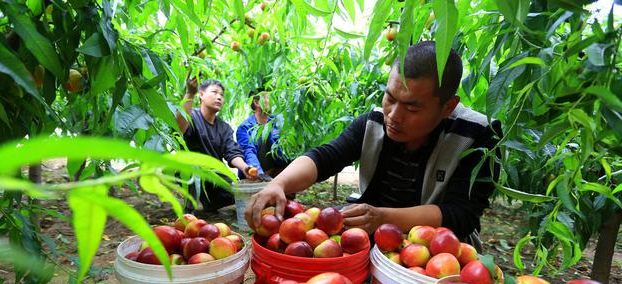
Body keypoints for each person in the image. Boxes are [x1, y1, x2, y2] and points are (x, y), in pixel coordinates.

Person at [245, 41, 501, 245]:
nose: (393, 115)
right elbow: (325, 157)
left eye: (412, 107)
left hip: (437, 249)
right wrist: (278, 184)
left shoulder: (477, 136)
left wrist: (382, 217)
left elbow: (460, 216)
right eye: (389, 97)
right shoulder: (373, 123)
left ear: (447, 107)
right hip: (370, 238)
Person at [176, 77, 257, 212]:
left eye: (221, 95)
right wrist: (189, 94)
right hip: (191, 172)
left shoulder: (224, 128)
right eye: (214, 92)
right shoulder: (192, 117)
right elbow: (179, 128)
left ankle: (208, 203)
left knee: (238, 194)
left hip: (215, 175)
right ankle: (190, 204)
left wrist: (245, 168)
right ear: (201, 95)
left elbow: (232, 153)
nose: (219, 97)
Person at [236, 92, 289, 179]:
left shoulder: (276, 122)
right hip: (256, 174)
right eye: (269, 98)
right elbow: (248, 151)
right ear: (256, 102)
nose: (273, 102)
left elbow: (281, 148)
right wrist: (258, 173)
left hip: (276, 170)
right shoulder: (245, 127)